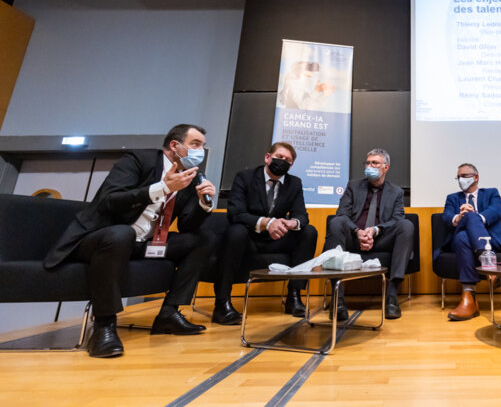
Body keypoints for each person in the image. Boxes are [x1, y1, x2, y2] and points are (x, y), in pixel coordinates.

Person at [43, 124, 218, 358]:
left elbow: (187, 225)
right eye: (196, 144)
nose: (201, 151)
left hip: (144, 243)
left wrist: (203, 204)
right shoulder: (139, 159)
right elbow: (110, 201)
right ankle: (104, 325)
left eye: (203, 146)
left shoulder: (189, 178)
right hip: (100, 237)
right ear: (175, 146)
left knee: (203, 239)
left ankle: (169, 313)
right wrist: (162, 188)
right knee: (121, 234)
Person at [212, 142, 319, 325]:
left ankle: (294, 296)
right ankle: (222, 304)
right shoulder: (245, 177)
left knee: (308, 231)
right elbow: (236, 213)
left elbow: (301, 214)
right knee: (235, 231)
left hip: (276, 238)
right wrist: (267, 223)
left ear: (291, 165)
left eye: (288, 160)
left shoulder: (294, 183)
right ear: (267, 157)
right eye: (279, 156)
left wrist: (292, 222)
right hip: (249, 237)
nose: (282, 161)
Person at [322, 148, 414, 320]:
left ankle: (392, 297)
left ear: (386, 167)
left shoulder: (396, 192)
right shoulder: (353, 186)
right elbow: (342, 213)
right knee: (336, 222)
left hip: (381, 239)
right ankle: (338, 300)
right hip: (353, 237)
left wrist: (374, 230)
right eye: (368, 163)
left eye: (375, 163)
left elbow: (396, 218)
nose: (369, 166)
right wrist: (358, 232)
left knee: (406, 225)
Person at [435, 163, 501, 321]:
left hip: (491, 239)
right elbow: (447, 216)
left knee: (464, 235)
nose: (461, 179)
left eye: (465, 176)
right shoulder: (452, 198)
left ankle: (469, 298)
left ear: (476, 177)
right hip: (457, 239)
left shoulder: (491, 193)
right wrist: (459, 217)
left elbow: (496, 210)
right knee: (464, 224)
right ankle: (487, 260)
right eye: (458, 177)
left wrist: (475, 217)